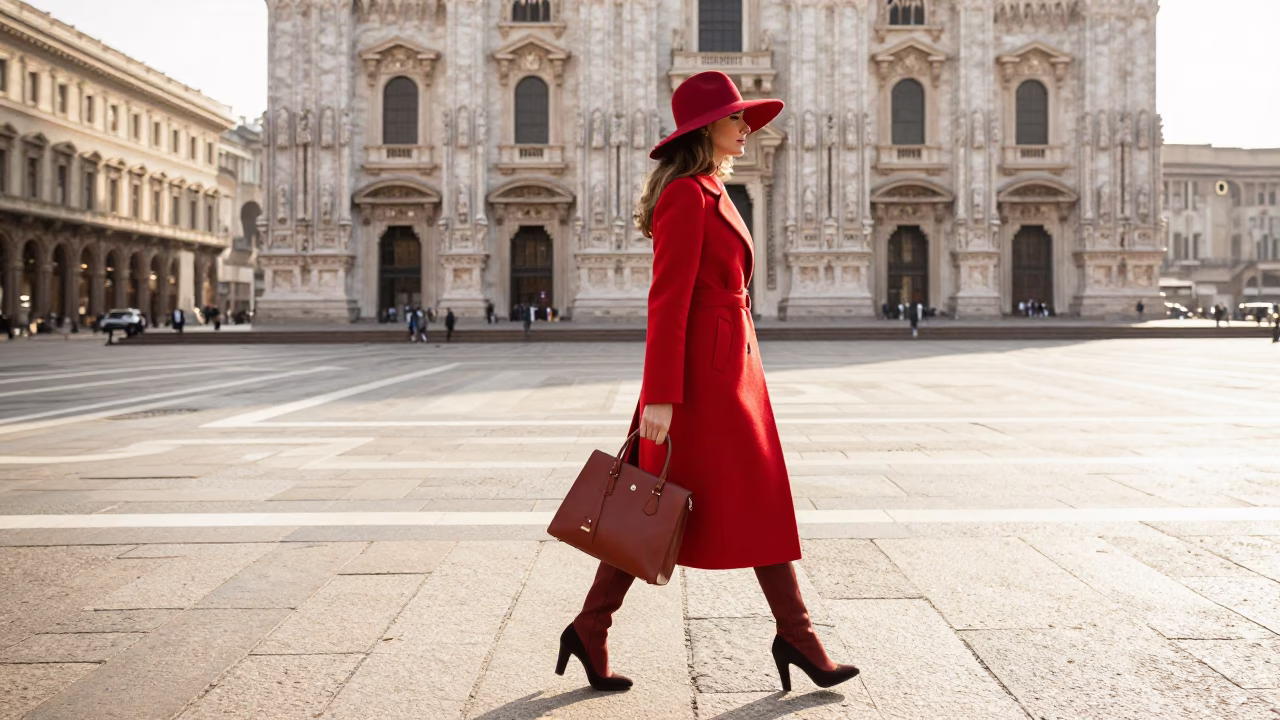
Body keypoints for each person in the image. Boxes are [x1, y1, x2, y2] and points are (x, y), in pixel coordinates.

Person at [558, 70, 858, 694]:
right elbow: (666, 302)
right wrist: (661, 396)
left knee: (713, 501)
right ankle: (797, 637)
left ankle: (592, 629)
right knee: (665, 504)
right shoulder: (685, 197)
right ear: (705, 129)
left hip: (728, 373)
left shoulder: (710, 191)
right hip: (700, 383)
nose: (746, 127)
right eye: (735, 118)